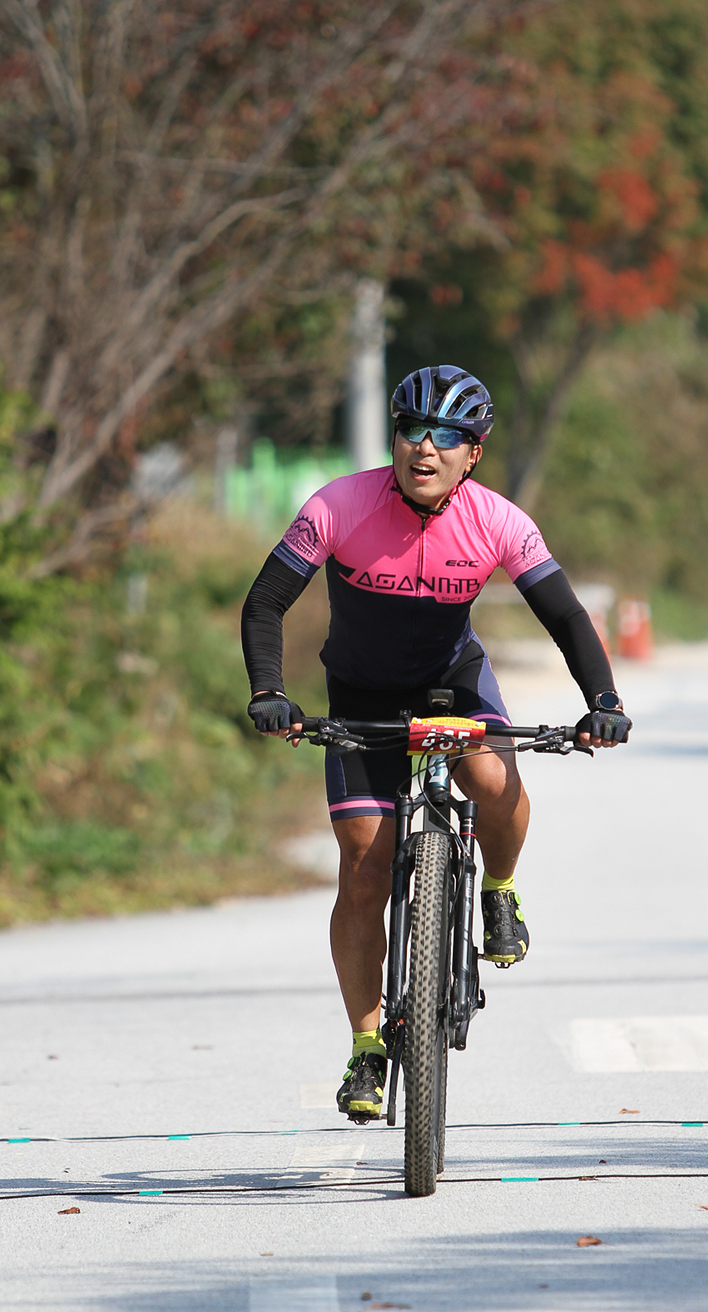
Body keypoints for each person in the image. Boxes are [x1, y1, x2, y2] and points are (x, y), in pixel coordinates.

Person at [242, 365, 631, 1121]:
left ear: (473, 453)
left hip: (453, 683)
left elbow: (565, 616)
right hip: (361, 694)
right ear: (394, 438)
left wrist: (603, 702)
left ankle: (498, 889)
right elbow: (265, 605)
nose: (425, 447)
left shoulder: (500, 521)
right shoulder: (337, 506)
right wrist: (269, 691)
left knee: (493, 781)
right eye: (412, 429)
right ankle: (366, 1047)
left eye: (448, 435)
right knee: (364, 868)